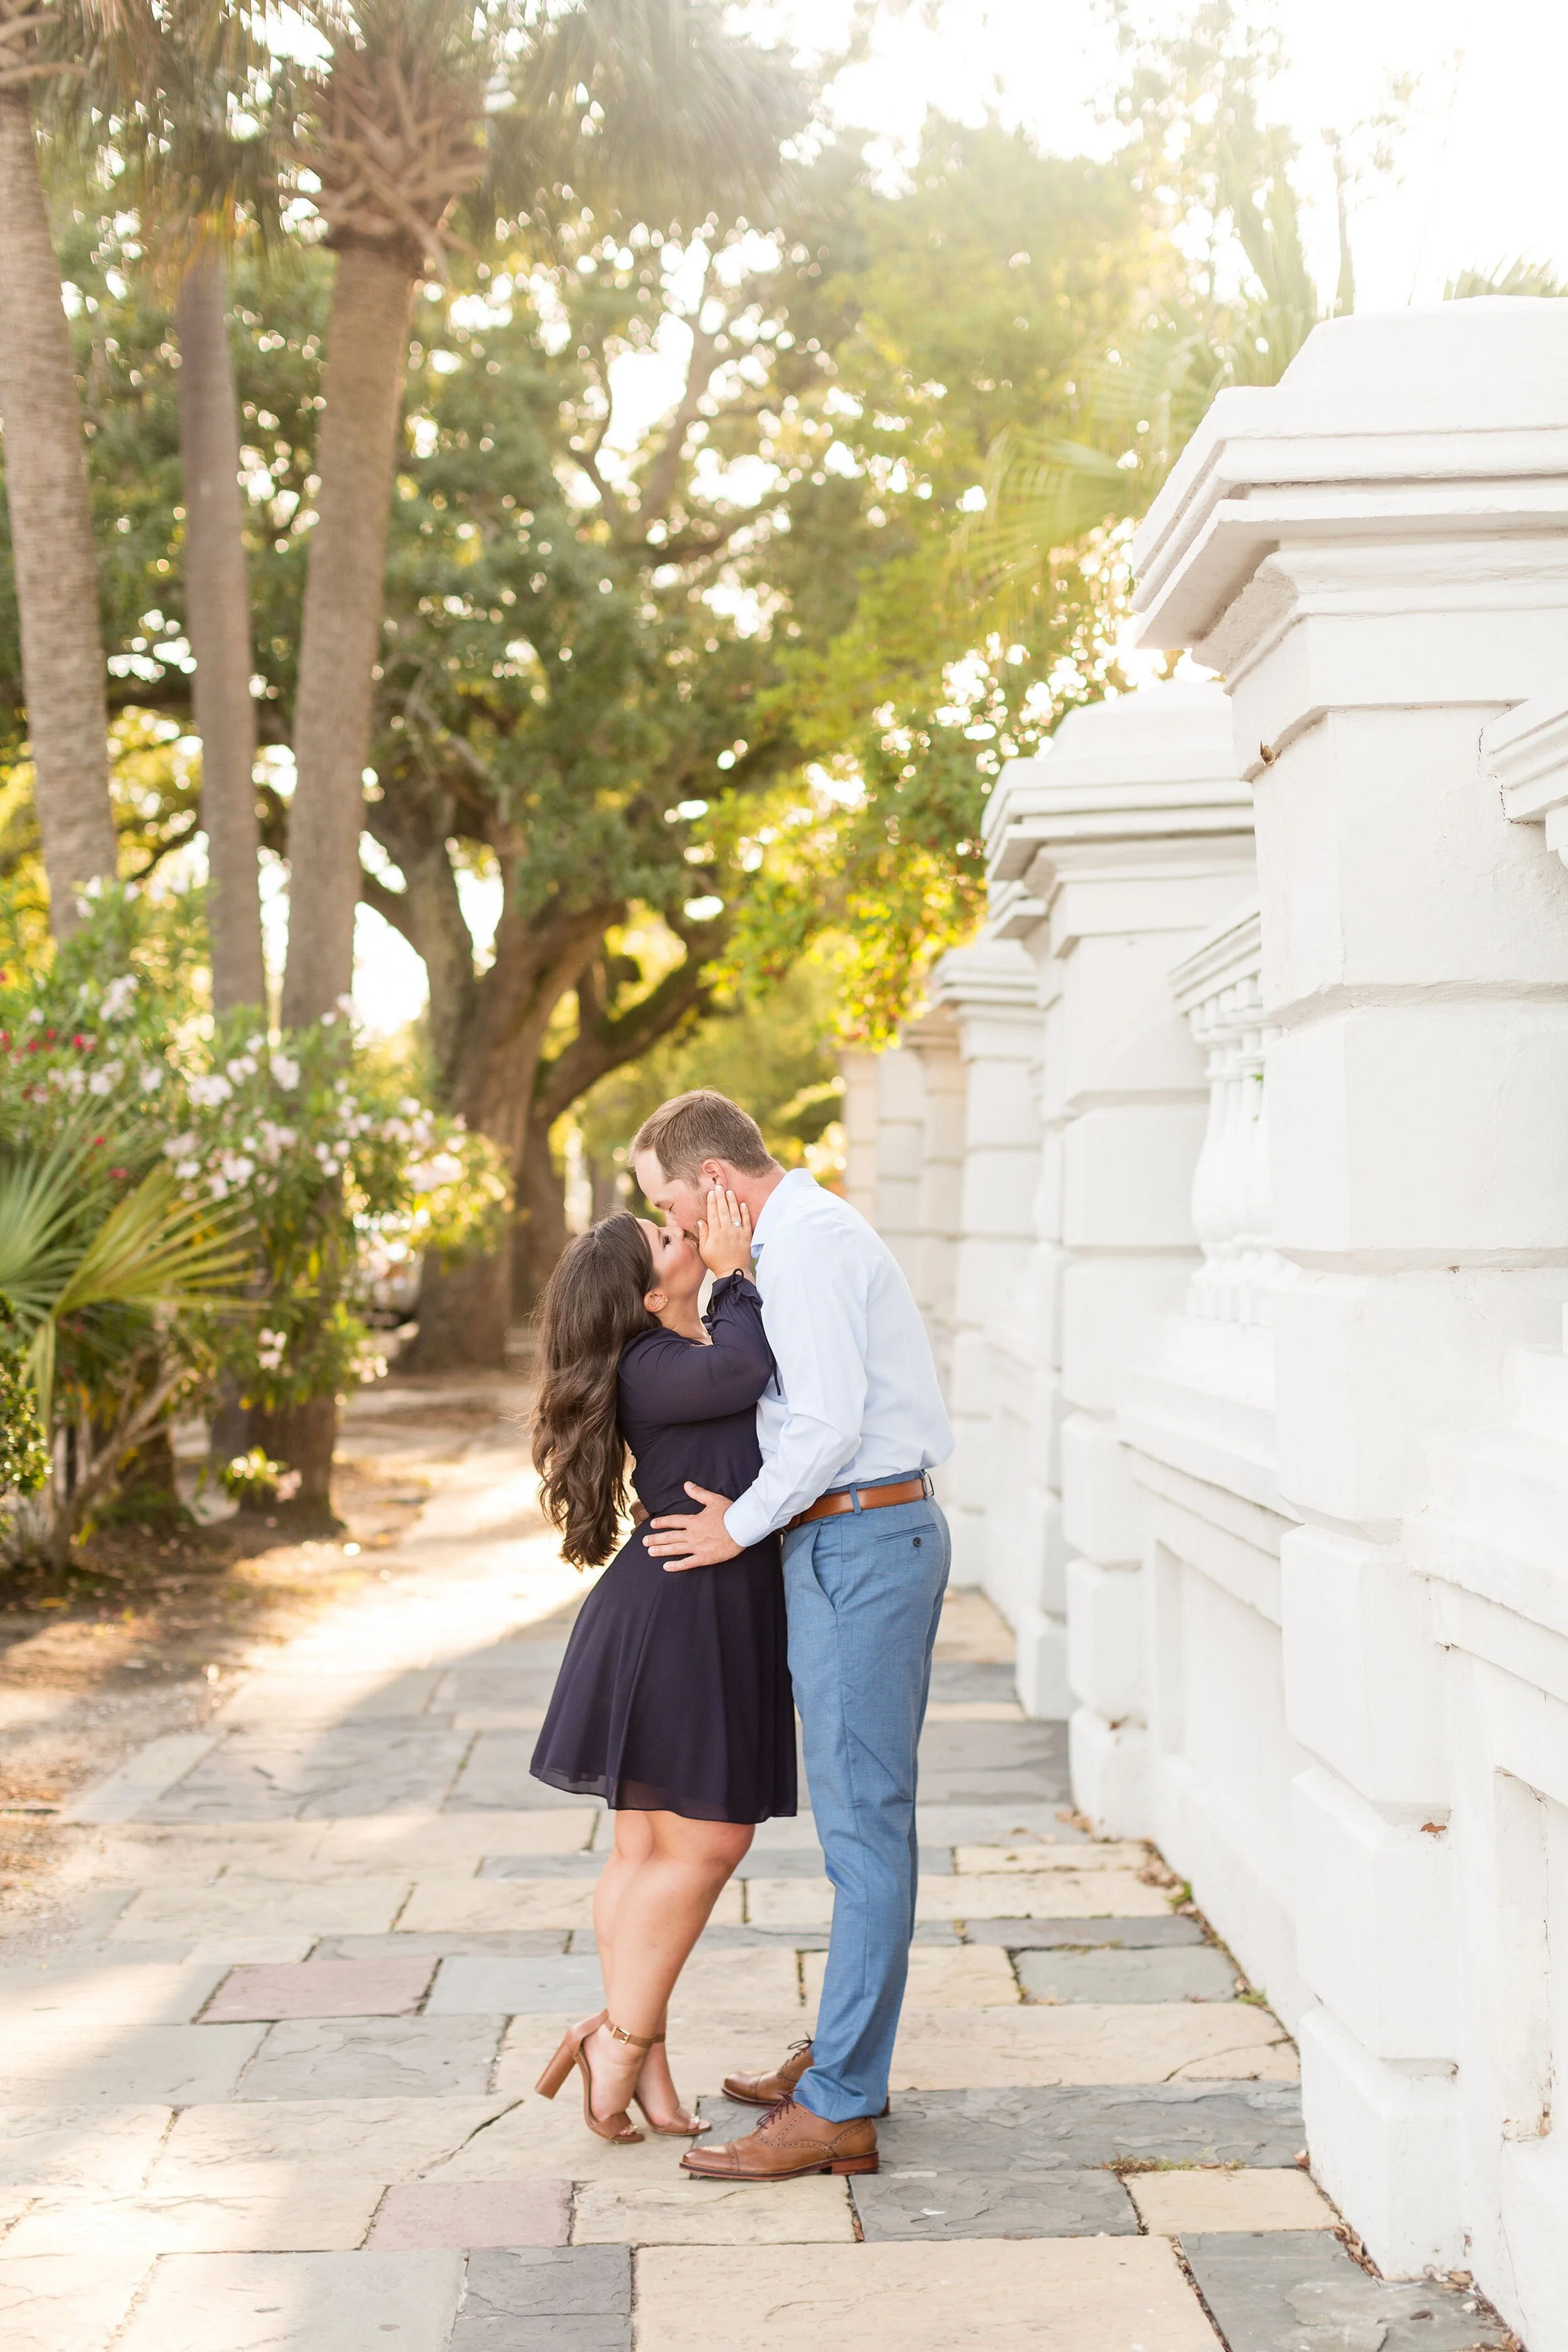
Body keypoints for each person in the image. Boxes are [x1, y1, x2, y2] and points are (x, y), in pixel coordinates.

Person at [636, 1089, 953, 2184]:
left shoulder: (807, 1246)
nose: (673, 1228)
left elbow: (823, 1423)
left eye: (670, 1204)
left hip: (859, 1541)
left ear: (716, 1180)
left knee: (864, 1828)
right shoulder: (790, 1244)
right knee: (859, 1821)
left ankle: (839, 2106)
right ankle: (844, 2055)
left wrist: (736, 1526)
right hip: (848, 1541)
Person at [529, 1190, 795, 2145]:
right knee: (707, 1844)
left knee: (648, 1854)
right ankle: (622, 2037)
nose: (693, 1231)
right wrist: (737, 1271)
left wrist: (722, 1280)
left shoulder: (670, 1357)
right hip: (683, 1615)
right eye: (673, 1237)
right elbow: (750, 1366)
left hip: (683, 1606)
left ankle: (631, 2047)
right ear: (648, 1296)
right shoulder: (658, 1362)